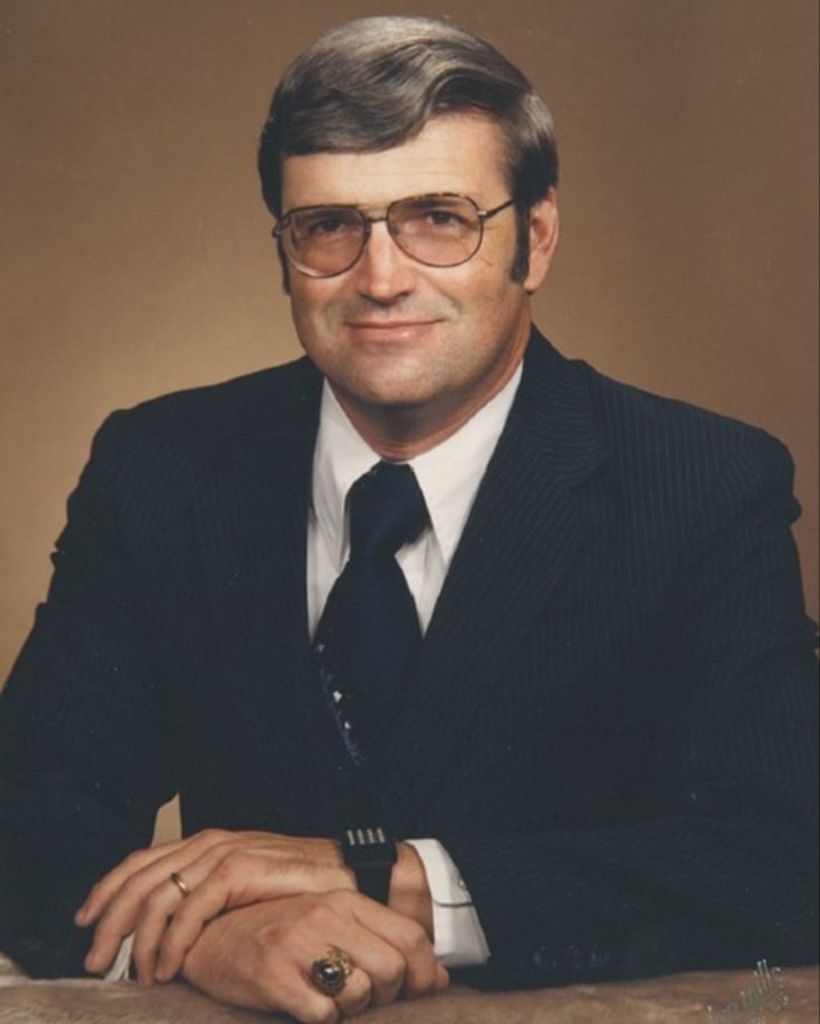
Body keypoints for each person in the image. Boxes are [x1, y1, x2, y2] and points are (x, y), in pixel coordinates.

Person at [0, 14, 816, 1023]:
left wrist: (387, 881)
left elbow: (784, 861)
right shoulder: (161, 467)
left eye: (438, 218)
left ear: (536, 240)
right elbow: (26, 816)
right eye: (328, 226)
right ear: (284, 250)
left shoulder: (698, 483)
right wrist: (208, 935)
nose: (380, 279)